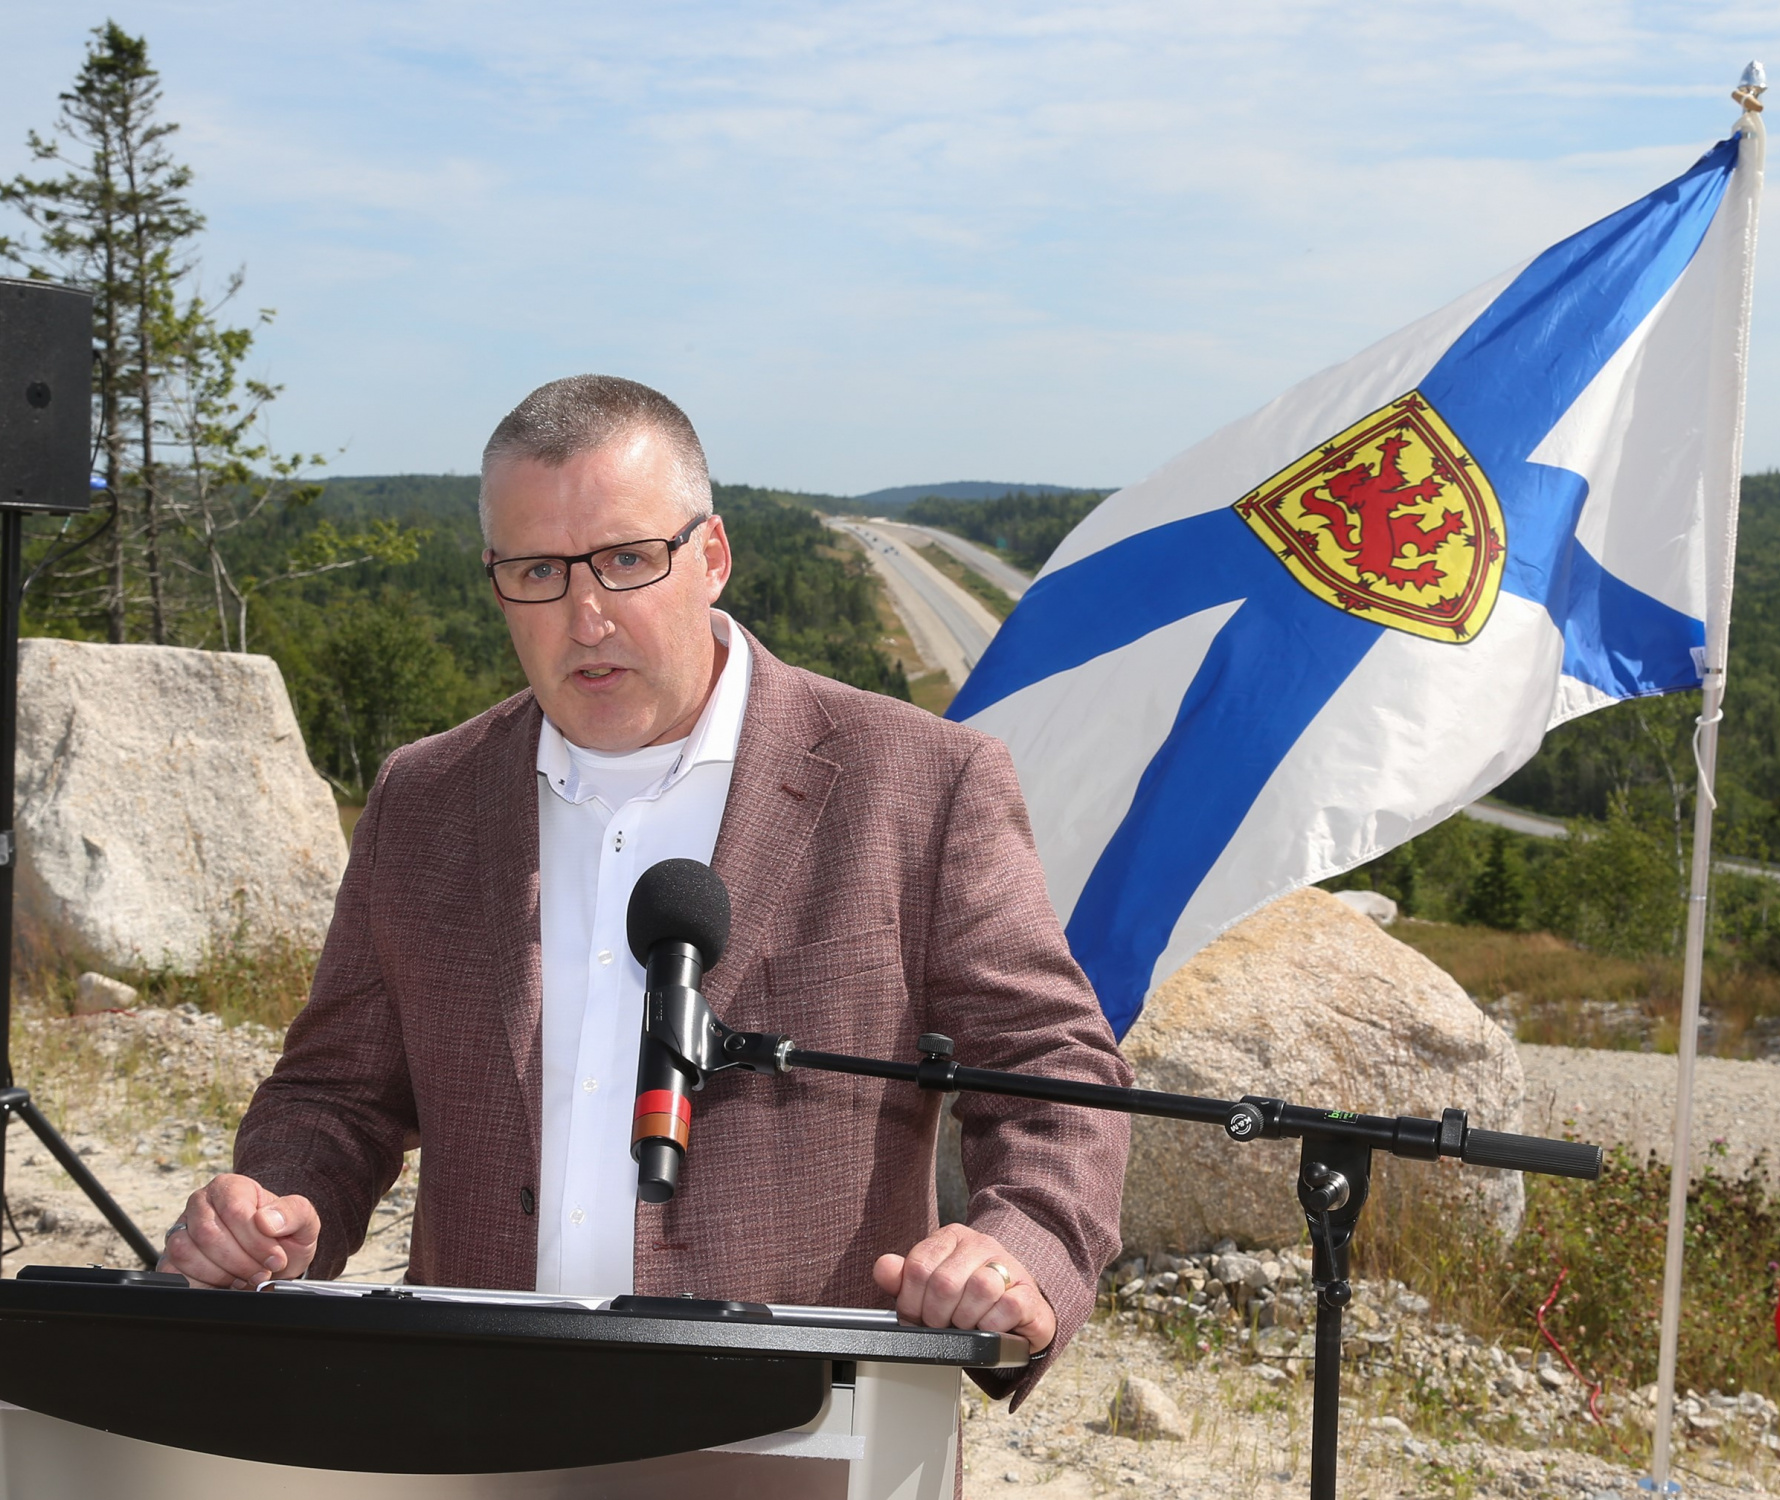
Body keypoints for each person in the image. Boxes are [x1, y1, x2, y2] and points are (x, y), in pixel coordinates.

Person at [158, 375, 1131, 1399]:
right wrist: (276, 1203)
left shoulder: (918, 783)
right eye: (539, 570)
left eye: (626, 560)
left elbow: (1050, 1066)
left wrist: (1015, 1246)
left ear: (709, 556)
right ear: (496, 582)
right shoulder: (425, 796)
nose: (586, 618)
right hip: (476, 1416)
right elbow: (336, 1092)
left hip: (802, 1420)